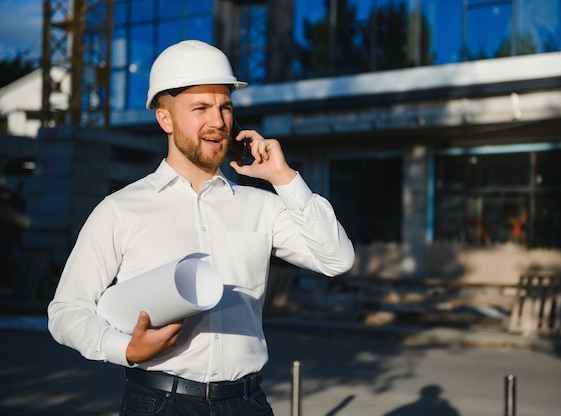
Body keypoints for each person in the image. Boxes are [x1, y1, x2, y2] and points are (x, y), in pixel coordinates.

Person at [48, 40, 355, 416]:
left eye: (225, 107)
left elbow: (336, 259)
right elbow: (66, 311)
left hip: (247, 403)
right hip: (159, 403)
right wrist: (123, 349)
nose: (219, 121)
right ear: (165, 118)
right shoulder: (120, 209)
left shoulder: (262, 206)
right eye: (200, 108)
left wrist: (284, 177)